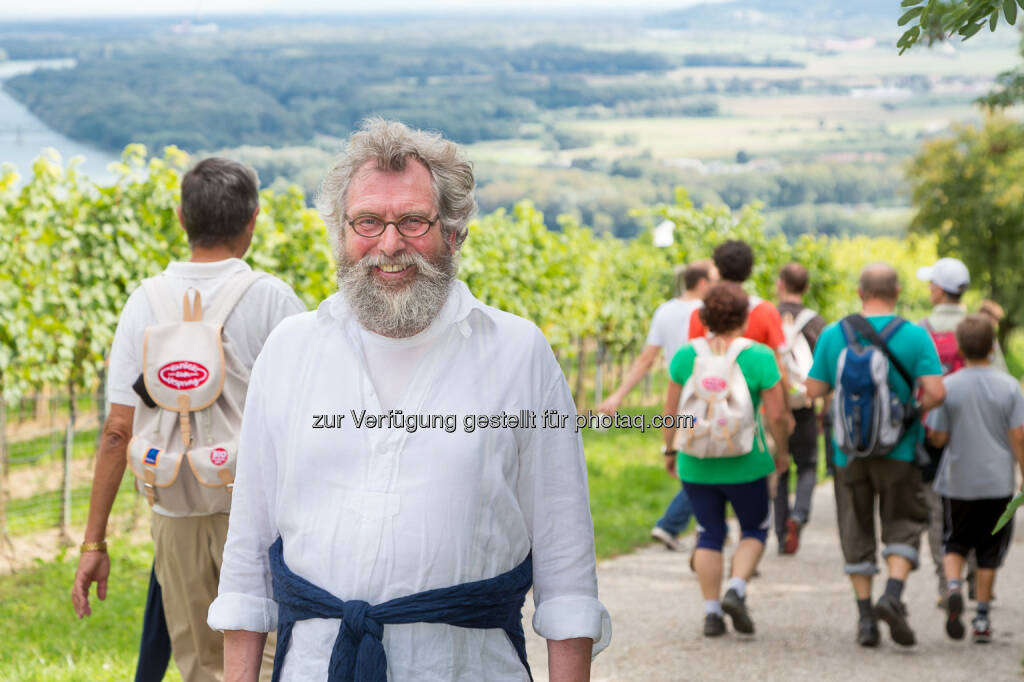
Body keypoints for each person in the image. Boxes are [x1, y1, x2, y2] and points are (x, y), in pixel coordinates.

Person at [207, 119, 610, 681]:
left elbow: (566, 562)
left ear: (454, 232)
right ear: (341, 232)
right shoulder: (289, 352)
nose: (389, 245)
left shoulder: (519, 353)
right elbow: (249, 556)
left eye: (414, 221)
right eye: (368, 221)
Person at [72, 158, 305, 681]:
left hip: (173, 508)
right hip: (257, 513)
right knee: (267, 660)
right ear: (254, 219)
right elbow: (307, 425)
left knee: (200, 666)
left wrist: (94, 541)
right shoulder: (273, 301)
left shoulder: (144, 302)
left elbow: (117, 432)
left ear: (181, 217)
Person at [806, 263, 944, 648]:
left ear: (859, 291)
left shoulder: (835, 334)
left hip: (847, 452)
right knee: (903, 521)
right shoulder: (915, 336)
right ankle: (893, 595)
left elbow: (814, 389)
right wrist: (911, 413)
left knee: (856, 527)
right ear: (897, 291)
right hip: (899, 449)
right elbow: (936, 392)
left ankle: (866, 620)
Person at [661, 282, 790, 638]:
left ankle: (711, 612)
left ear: (705, 316)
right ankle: (736, 588)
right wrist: (782, 452)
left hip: (696, 460)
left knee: (708, 533)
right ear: (745, 317)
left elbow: (670, 411)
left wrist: (670, 450)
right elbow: (777, 415)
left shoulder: (686, 355)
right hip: (746, 460)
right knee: (754, 529)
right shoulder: (760, 356)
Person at [597, 260, 717, 552]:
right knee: (708, 467)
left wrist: (617, 396)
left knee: (698, 464)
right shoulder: (711, 312)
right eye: (714, 279)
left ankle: (694, 529)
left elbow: (646, 359)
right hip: (710, 395)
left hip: (679, 398)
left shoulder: (665, 311)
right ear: (702, 283)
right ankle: (681, 527)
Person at [925, 314, 1024, 644]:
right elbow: (1018, 435)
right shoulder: (1010, 387)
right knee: (989, 549)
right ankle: (981, 619)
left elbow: (937, 437)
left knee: (954, 541)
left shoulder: (949, 386)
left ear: (960, 348)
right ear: (993, 346)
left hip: (958, 481)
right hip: (997, 482)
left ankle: (953, 587)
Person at [916, 257, 1006, 604]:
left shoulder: (921, 328)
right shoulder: (980, 327)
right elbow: (997, 380)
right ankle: (976, 580)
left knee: (939, 511)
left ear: (939, 288)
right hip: (975, 435)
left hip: (934, 433)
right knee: (977, 508)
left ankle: (946, 582)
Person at [773, 263, 826, 555]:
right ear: (806, 287)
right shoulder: (816, 322)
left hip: (774, 406)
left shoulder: (768, 316)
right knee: (807, 465)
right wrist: (824, 407)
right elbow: (825, 370)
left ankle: (781, 534)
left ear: (780, 284)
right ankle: (800, 514)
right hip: (804, 404)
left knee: (779, 468)